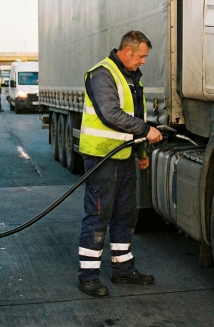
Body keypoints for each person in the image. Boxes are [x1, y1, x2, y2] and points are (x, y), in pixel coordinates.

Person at [76, 30, 163, 298]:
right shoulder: (102, 74)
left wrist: (142, 151)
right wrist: (147, 130)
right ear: (127, 51)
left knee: (126, 214)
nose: (144, 62)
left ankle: (122, 269)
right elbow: (110, 113)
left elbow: (134, 114)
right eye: (141, 56)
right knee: (99, 216)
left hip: (124, 156)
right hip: (103, 158)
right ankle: (88, 276)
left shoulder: (131, 76)